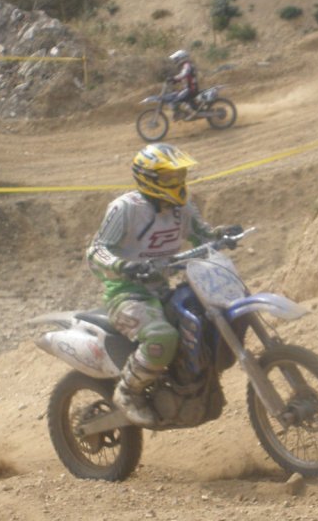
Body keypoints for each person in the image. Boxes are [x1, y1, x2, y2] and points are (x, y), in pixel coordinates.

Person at [86, 144, 238, 426]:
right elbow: (97, 250)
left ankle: (186, 383)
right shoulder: (126, 208)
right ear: (148, 178)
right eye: (169, 177)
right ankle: (127, 392)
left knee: (203, 322)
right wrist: (124, 265)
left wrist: (222, 234)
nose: (178, 182)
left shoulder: (182, 207)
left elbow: (202, 235)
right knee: (162, 337)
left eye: (180, 175)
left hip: (162, 289)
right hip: (127, 294)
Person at [167, 49, 199, 118]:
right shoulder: (186, 65)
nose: (175, 61)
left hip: (191, 89)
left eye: (176, 59)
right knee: (175, 96)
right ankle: (185, 112)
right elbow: (184, 77)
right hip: (188, 88)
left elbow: (184, 74)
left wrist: (173, 78)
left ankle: (192, 113)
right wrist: (175, 81)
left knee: (176, 99)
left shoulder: (187, 65)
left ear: (181, 58)